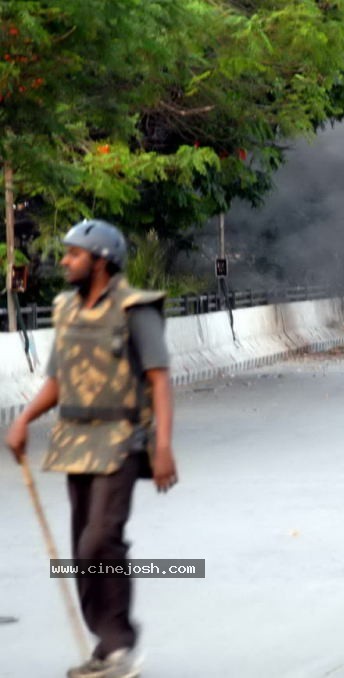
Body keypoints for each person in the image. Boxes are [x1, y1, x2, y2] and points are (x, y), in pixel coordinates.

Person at [5, 219, 178, 678]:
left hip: (121, 439)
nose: (63, 261)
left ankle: (120, 645)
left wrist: (163, 446)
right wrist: (23, 419)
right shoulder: (65, 309)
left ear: (100, 261)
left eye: (73, 255)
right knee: (83, 549)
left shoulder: (134, 309)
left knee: (101, 538)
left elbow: (159, 380)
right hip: (74, 440)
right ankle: (105, 646)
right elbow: (58, 382)